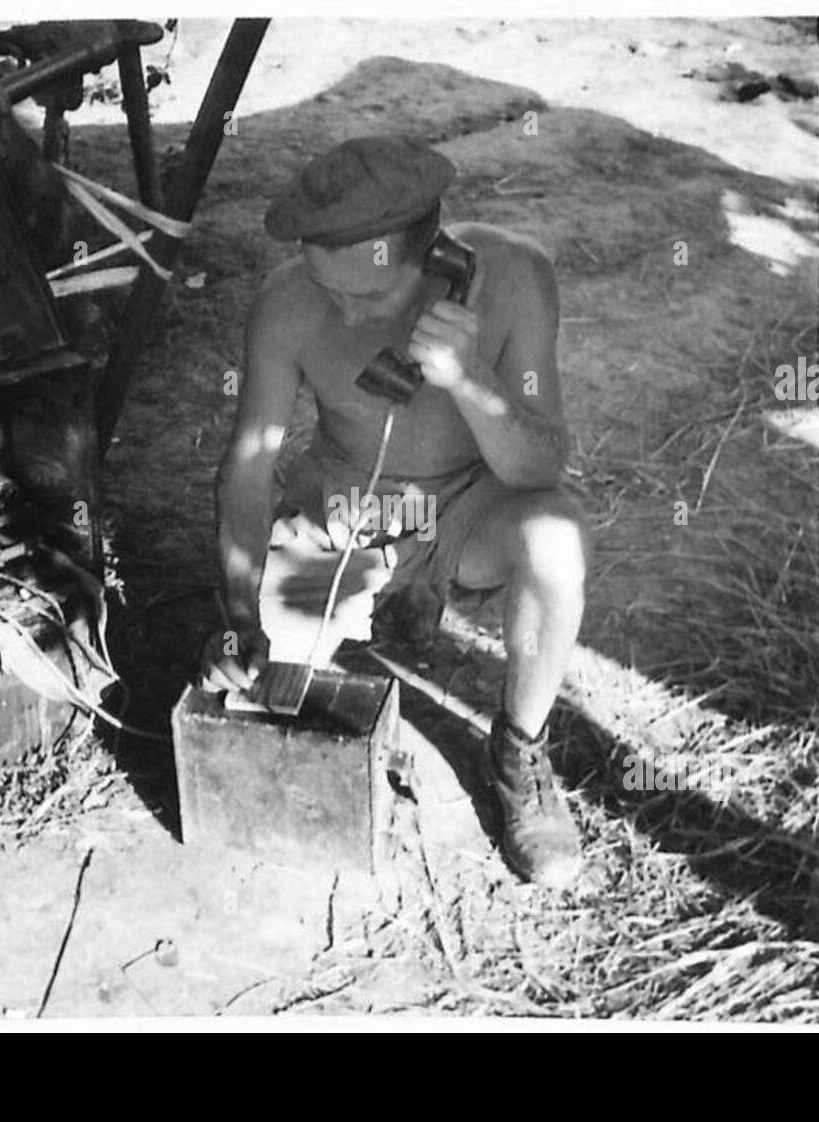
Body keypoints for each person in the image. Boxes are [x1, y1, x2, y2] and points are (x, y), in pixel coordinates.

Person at [199, 135, 589, 887]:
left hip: (475, 505)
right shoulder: (288, 303)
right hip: (350, 507)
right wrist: (239, 612)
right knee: (261, 685)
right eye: (327, 284)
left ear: (436, 258)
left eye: (368, 294)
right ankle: (390, 601)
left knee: (558, 543)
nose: (343, 308)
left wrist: (467, 378)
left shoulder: (515, 277)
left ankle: (520, 750)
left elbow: (541, 466)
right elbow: (249, 470)